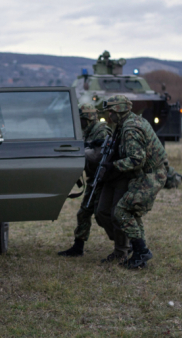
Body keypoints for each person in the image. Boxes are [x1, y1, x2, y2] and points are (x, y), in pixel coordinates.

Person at [97, 95, 168, 269]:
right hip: (146, 174)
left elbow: (137, 160)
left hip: (150, 175)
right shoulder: (129, 123)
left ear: (119, 111)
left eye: (111, 112)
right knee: (133, 212)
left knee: (121, 211)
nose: (109, 116)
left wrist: (113, 166)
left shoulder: (130, 128)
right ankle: (139, 254)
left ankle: (141, 251)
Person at [57, 103, 112, 257]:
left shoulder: (101, 131)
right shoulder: (89, 132)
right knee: (84, 213)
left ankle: (124, 244)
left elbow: (98, 156)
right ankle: (78, 246)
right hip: (94, 178)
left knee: (103, 215)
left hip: (103, 179)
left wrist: (78, 151)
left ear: (86, 119)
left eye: (80, 120)